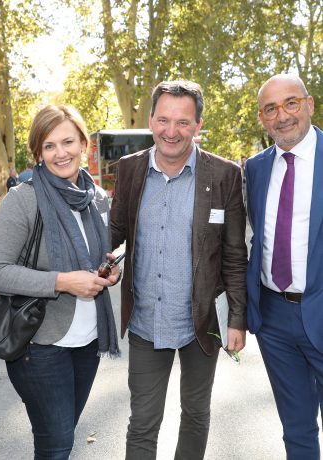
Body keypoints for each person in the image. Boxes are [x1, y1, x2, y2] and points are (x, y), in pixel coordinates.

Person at [110, 80, 247, 460]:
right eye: (164, 120)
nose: (172, 131)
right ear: (151, 119)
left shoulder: (224, 175)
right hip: (146, 320)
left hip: (202, 322)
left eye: (183, 122)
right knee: (142, 423)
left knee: (196, 415)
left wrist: (237, 319)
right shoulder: (130, 169)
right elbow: (114, 232)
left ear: (198, 125)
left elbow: (235, 254)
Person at [0, 104, 120, 460]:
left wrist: (108, 272)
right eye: (49, 145)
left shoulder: (97, 198)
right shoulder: (23, 199)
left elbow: (94, 259)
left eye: (68, 142)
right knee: (56, 444)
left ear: (84, 144)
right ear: (38, 153)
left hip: (88, 341)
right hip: (40, 345)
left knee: (62, 439)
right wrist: (61, 282)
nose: (61, 153)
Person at [246, 73, 323, 459]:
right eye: (271, 108)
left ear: (309, 104)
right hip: (274, 319)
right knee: (296, 428)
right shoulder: (255, 168)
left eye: (291, 103)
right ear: (262, 118)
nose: (283, 115)